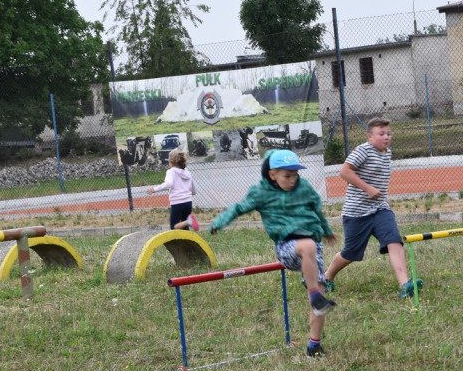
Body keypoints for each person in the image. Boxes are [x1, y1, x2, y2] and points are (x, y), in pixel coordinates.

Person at [208, 149, 337, 358]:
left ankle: (314, 346)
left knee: (320, 297)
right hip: (287, 247)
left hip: (312, 249)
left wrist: (327, 231)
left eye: (295, 175)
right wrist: (219, 222)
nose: (292, 180)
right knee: (308, 247)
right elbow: (239, 208)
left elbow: (316, 210)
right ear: (272, 174)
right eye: (287, 176)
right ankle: (315, 295)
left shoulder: (303, 187)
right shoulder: (261, 192)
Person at [324, 117, 423, 299]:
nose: (386, 137)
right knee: (351, 253)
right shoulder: (364, 151)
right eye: (381, 134)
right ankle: (327, 277)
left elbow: (379, 178)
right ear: (370, 137)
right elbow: (344, 171)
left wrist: (383, 197)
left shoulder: (387, 153)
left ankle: (404, 285)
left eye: (389, 133)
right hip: (357, 213)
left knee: (394, 239)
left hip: (379, 209)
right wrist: (367, 188)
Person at [147, 149, 199, 231]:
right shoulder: (187, 172)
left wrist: (154, 189)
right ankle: (185, 241)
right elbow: (194, 188)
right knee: (184, 227)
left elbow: (168, 184)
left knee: (174, 227)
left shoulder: (171, 172)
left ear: (172, 162)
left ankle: (189, 221)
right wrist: (189, 194)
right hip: (188, 202)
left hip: (177, 203)